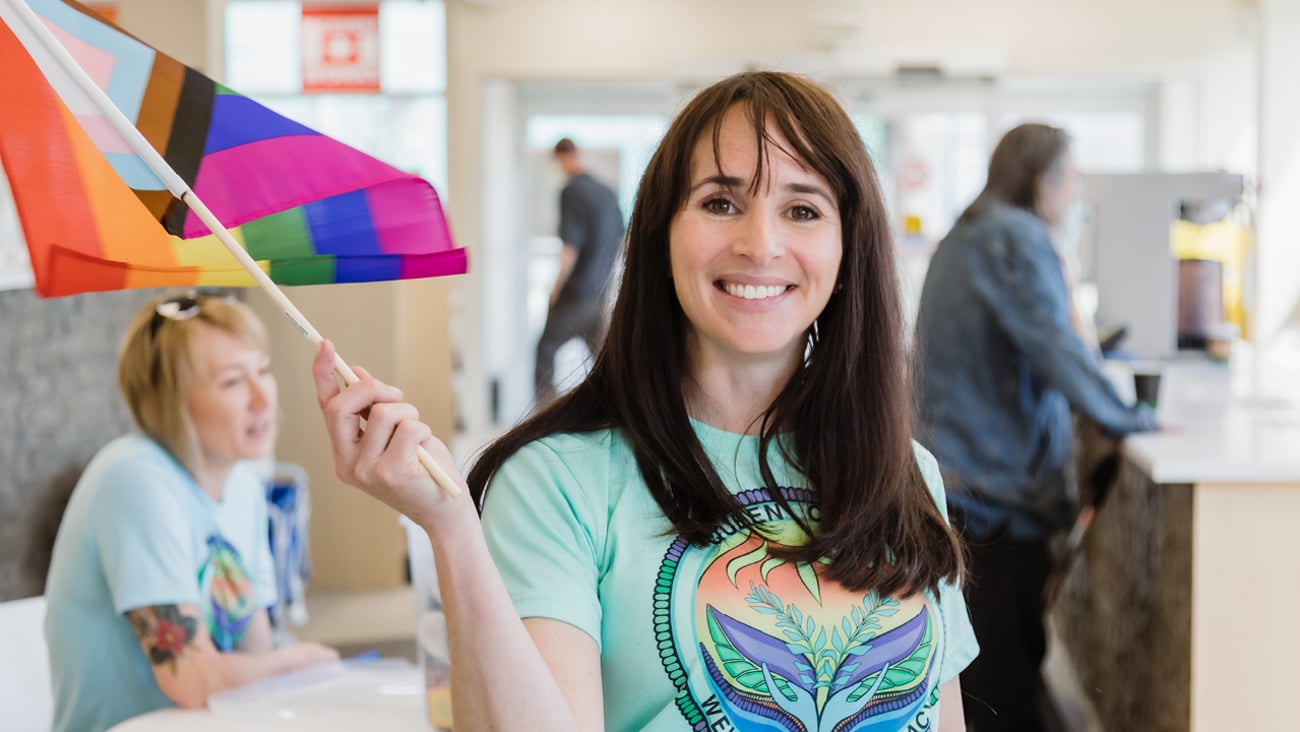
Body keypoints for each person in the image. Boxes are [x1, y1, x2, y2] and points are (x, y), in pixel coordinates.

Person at [314, 71, 977, 731]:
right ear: (661, 236)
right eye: (721, 203)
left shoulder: (901, 469)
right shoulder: (559, 481)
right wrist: (452, 532)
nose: (760, 244)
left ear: (846, 253)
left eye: (802, 210)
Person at [912, 123, 1158, 731]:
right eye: (1070, 180)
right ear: (1044, 179)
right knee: (1003, 681)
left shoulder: (971, 232)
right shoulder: (1013, 238)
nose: (1073, 195)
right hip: (994, 495)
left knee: (987, 667)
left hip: (965, 483)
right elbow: (1057, 348)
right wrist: (1127, 416)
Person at [44, 292, 338, 732]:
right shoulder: (135, 478)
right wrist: (295, 660)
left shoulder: (242, 486)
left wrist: (284, 667)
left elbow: (254, 651)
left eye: (263, 371)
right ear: (172, 401)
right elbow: (190, 679)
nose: (263, 398)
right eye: (233, 382)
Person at [534, 137, 626, 406]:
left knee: (545, 351)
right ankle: (614, 413)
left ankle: (543, 414)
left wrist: (556, 287)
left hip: (576, 292)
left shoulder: (571, 191)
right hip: (600, 295)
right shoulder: (607, 192)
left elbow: (570, 247)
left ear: (562, 157)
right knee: (604, 362)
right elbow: (620, 241)